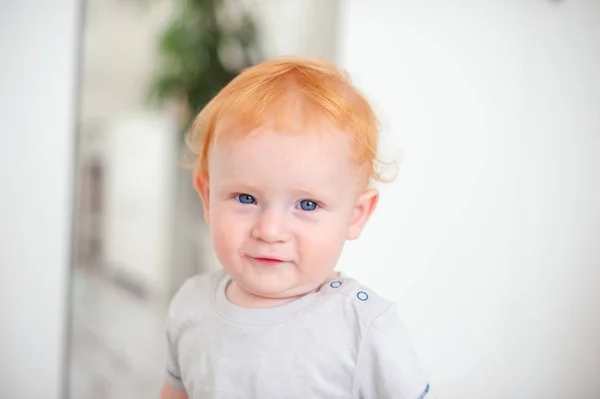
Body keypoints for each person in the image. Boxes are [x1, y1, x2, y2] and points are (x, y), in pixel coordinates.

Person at [159, 57, 431, 399]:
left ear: (356, 214)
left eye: (306, 205)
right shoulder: (190, 305)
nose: (270, 231)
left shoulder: (364, 327)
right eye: (245, 198)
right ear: (207, 198)